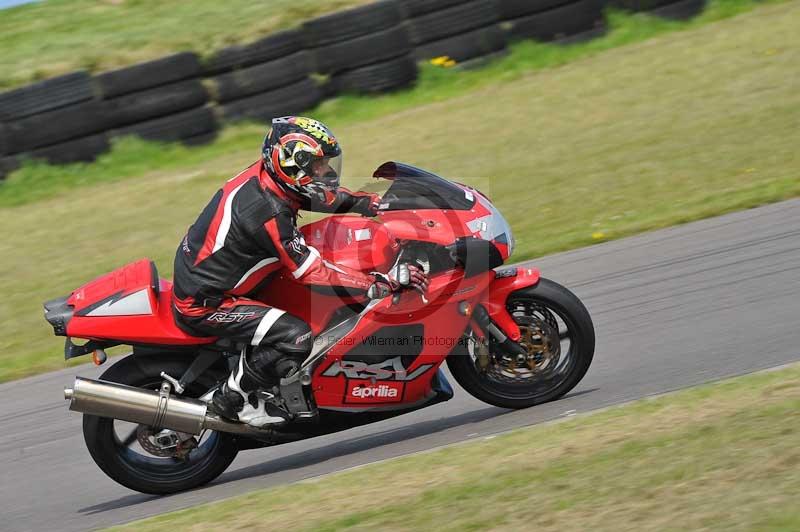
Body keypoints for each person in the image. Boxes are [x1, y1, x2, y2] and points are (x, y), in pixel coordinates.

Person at [171, 116, 428, 427]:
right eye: (319, 165)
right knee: (297, 334)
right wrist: (375, 283)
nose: (327, 171)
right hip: (208, 302)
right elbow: (311, 270)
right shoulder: (267, 211)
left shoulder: (274, 180)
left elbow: (322, 196)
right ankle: (232, 399)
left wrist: (376, 204)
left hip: (221, 277)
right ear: (294, 165)